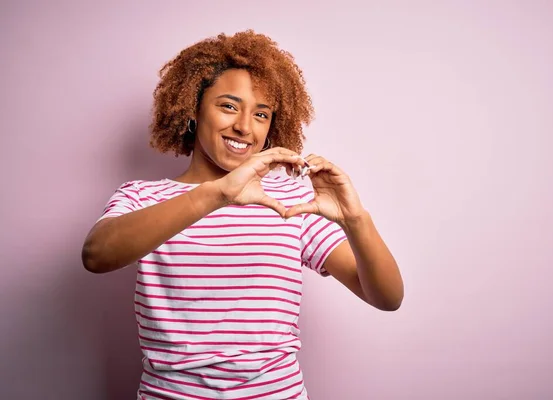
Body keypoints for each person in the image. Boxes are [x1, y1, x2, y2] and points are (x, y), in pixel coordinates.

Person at [82, 30, 403, 400]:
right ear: (192, 109)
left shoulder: (290, 200)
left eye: (261, 114)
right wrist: (217, 194)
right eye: (229, 106)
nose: (245, 127)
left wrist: (354, 218)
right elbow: (96, 255)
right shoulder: (144, 197)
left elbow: (386, 296)